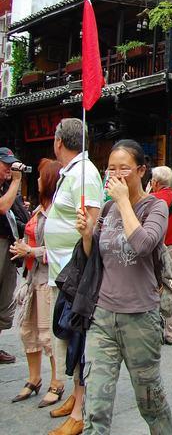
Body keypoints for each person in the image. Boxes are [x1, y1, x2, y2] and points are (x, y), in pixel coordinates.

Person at [74, 140, 172, 433]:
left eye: (124, 169)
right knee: (96, 403)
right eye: (111, 169)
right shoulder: (106, 208)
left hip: (140, 318)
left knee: (150, 400)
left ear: (142, 170)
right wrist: (88, 235)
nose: (115, 175)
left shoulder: (155, 207)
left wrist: (123, 202)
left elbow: (142, 245)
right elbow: (96, 260)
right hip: (103, 316)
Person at [45, 118, 104, 434]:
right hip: (61, 274)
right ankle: (74, 395)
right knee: (68, 341)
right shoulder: (71, 173)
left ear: (58, 142)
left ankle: (80, 411)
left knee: (78, 340)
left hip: (76, 277)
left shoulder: (85, 174)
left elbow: (91, 228)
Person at [8, 159, 61, 405]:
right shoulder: (39, 209)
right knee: (27, 331)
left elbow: (61, 249)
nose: (37, 180)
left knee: (47, 334)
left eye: (41, 176)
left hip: (47, 280)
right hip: (31, 278)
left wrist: (31, 251)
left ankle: (56, 382)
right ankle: (34, 379)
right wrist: (23, 248)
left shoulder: (58, 213)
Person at [0, 146, 29, 366]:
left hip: (7, 246)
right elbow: (2, 207)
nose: (10, 169)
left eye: (12, 165)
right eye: (6, 165)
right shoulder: (9, 187)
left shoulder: (5, 187)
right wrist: (16, 182)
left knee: (4, 300)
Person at [149, 166, 172, 345]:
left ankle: (154, 329)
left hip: (154, 248)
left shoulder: (151, 199)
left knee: (152, 287)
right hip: (171, 247)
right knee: (170, 287)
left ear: (155, 182)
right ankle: (171, 332)